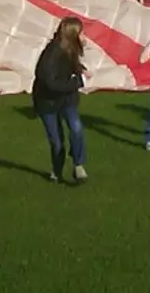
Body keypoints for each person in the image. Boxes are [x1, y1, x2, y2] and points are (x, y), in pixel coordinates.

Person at [32, 16, 89, 184]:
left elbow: (70, 66)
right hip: (47, 102)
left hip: (66, 98)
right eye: (80, 33)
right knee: (57, 142)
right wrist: (76, 82)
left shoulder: (70, 48)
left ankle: (78, 165)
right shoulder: (51, 54)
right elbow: (50, 82)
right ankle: (56, 171)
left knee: (76, 128)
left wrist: (80, 70)